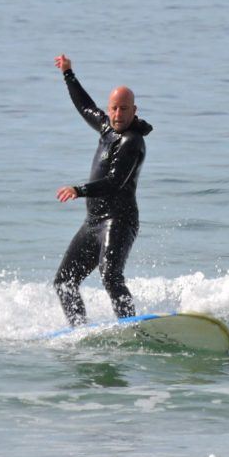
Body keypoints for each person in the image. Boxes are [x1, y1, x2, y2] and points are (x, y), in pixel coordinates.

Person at [52, 54, 151, 327]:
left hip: (119, 221)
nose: (118, 115)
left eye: (124, 109)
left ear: (134, 110)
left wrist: (78, 189)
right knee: (64, 281)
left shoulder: (133, 142)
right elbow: (85, 107)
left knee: (110, 276)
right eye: (114, 109)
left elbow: (114, 181)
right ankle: (79, 330)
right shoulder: (107, 127)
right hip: (93, 223)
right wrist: (69, 74)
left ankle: (131, 326)